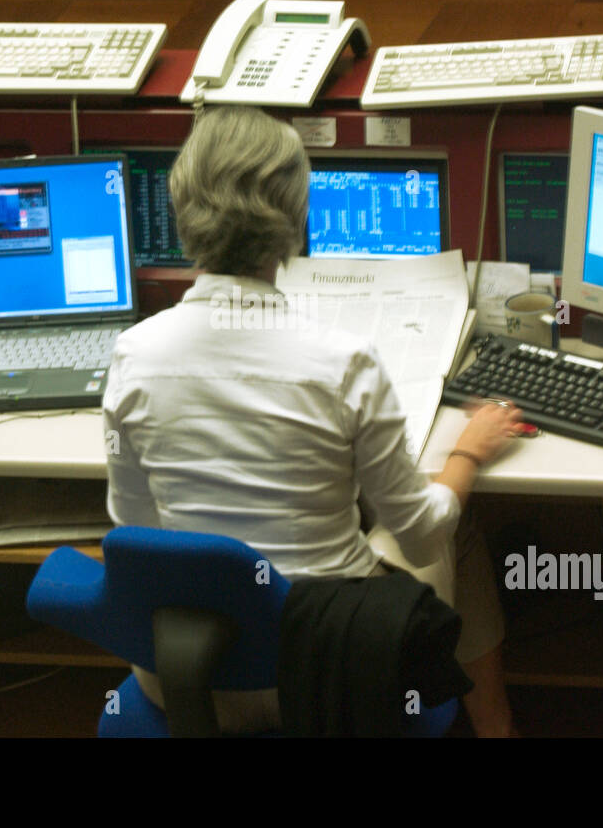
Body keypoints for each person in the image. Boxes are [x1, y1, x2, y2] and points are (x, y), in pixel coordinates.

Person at [102, 105, 520, 736]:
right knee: (452, 522)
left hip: (187, 680)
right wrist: (467, 455)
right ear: (297, 218)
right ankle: (497, 726)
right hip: (332, 673)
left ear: (182, 207)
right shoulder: (343, 360)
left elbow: (135, 530)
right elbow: (419, 535)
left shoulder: (134, 356)